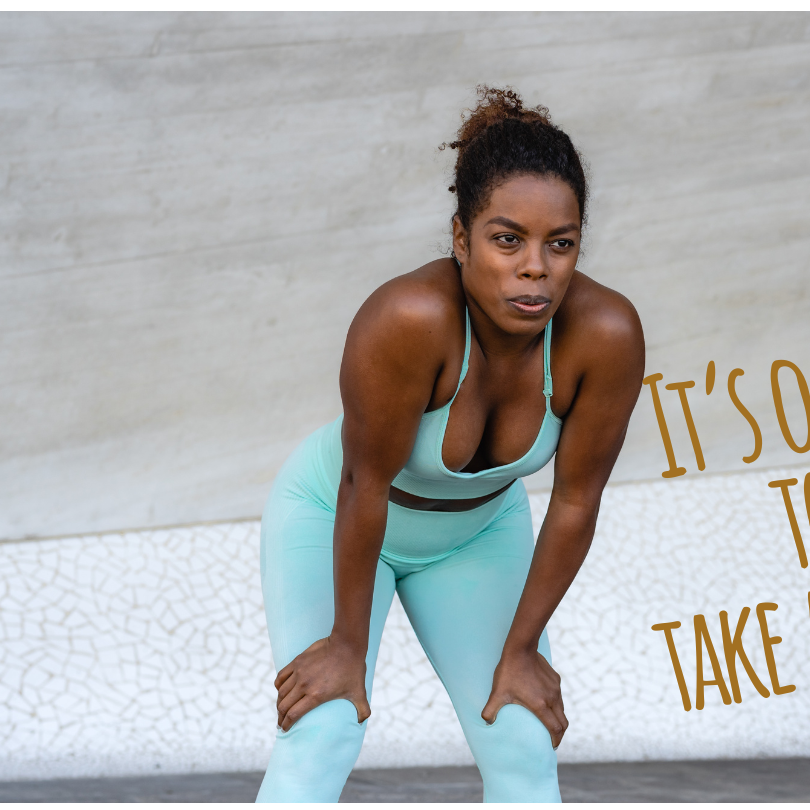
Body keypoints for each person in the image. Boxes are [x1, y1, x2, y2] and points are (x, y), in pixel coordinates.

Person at [256, 86, 646, 802]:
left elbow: (575, 502)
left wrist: (523, 649)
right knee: (323, 729)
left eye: (560, 243)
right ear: (461, 238)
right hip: (334, 513)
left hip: (476, 533)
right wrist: (345, 646)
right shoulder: (408, 319)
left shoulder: (605, 336)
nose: (537, 268)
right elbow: (360, 487)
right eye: (507, 240)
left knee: (523, 737)